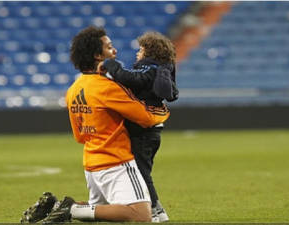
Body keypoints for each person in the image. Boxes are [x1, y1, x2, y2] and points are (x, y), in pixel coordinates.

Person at [21, 26, 170, 224]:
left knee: (97, 210)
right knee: (141, 215)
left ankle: (54, 207)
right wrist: (164, 110)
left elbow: (79, 135)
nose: (114, 51)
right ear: (97, 55)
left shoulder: (74, 89)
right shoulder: (108, 88)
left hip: (91, 162)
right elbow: (146, 117)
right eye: (109, 48)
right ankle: (70, 209)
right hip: (116, 160)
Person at [98, 31, 178, 222]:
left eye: (141, 49)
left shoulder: (149, 70)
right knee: (141, 171)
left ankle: (155, 209)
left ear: (150, 52)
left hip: (143, 132)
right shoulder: (160, 72)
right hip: (150, 132)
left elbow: (131, 78)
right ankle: (150, 207)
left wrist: (112, 65)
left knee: (141, 172)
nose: (137, 53)